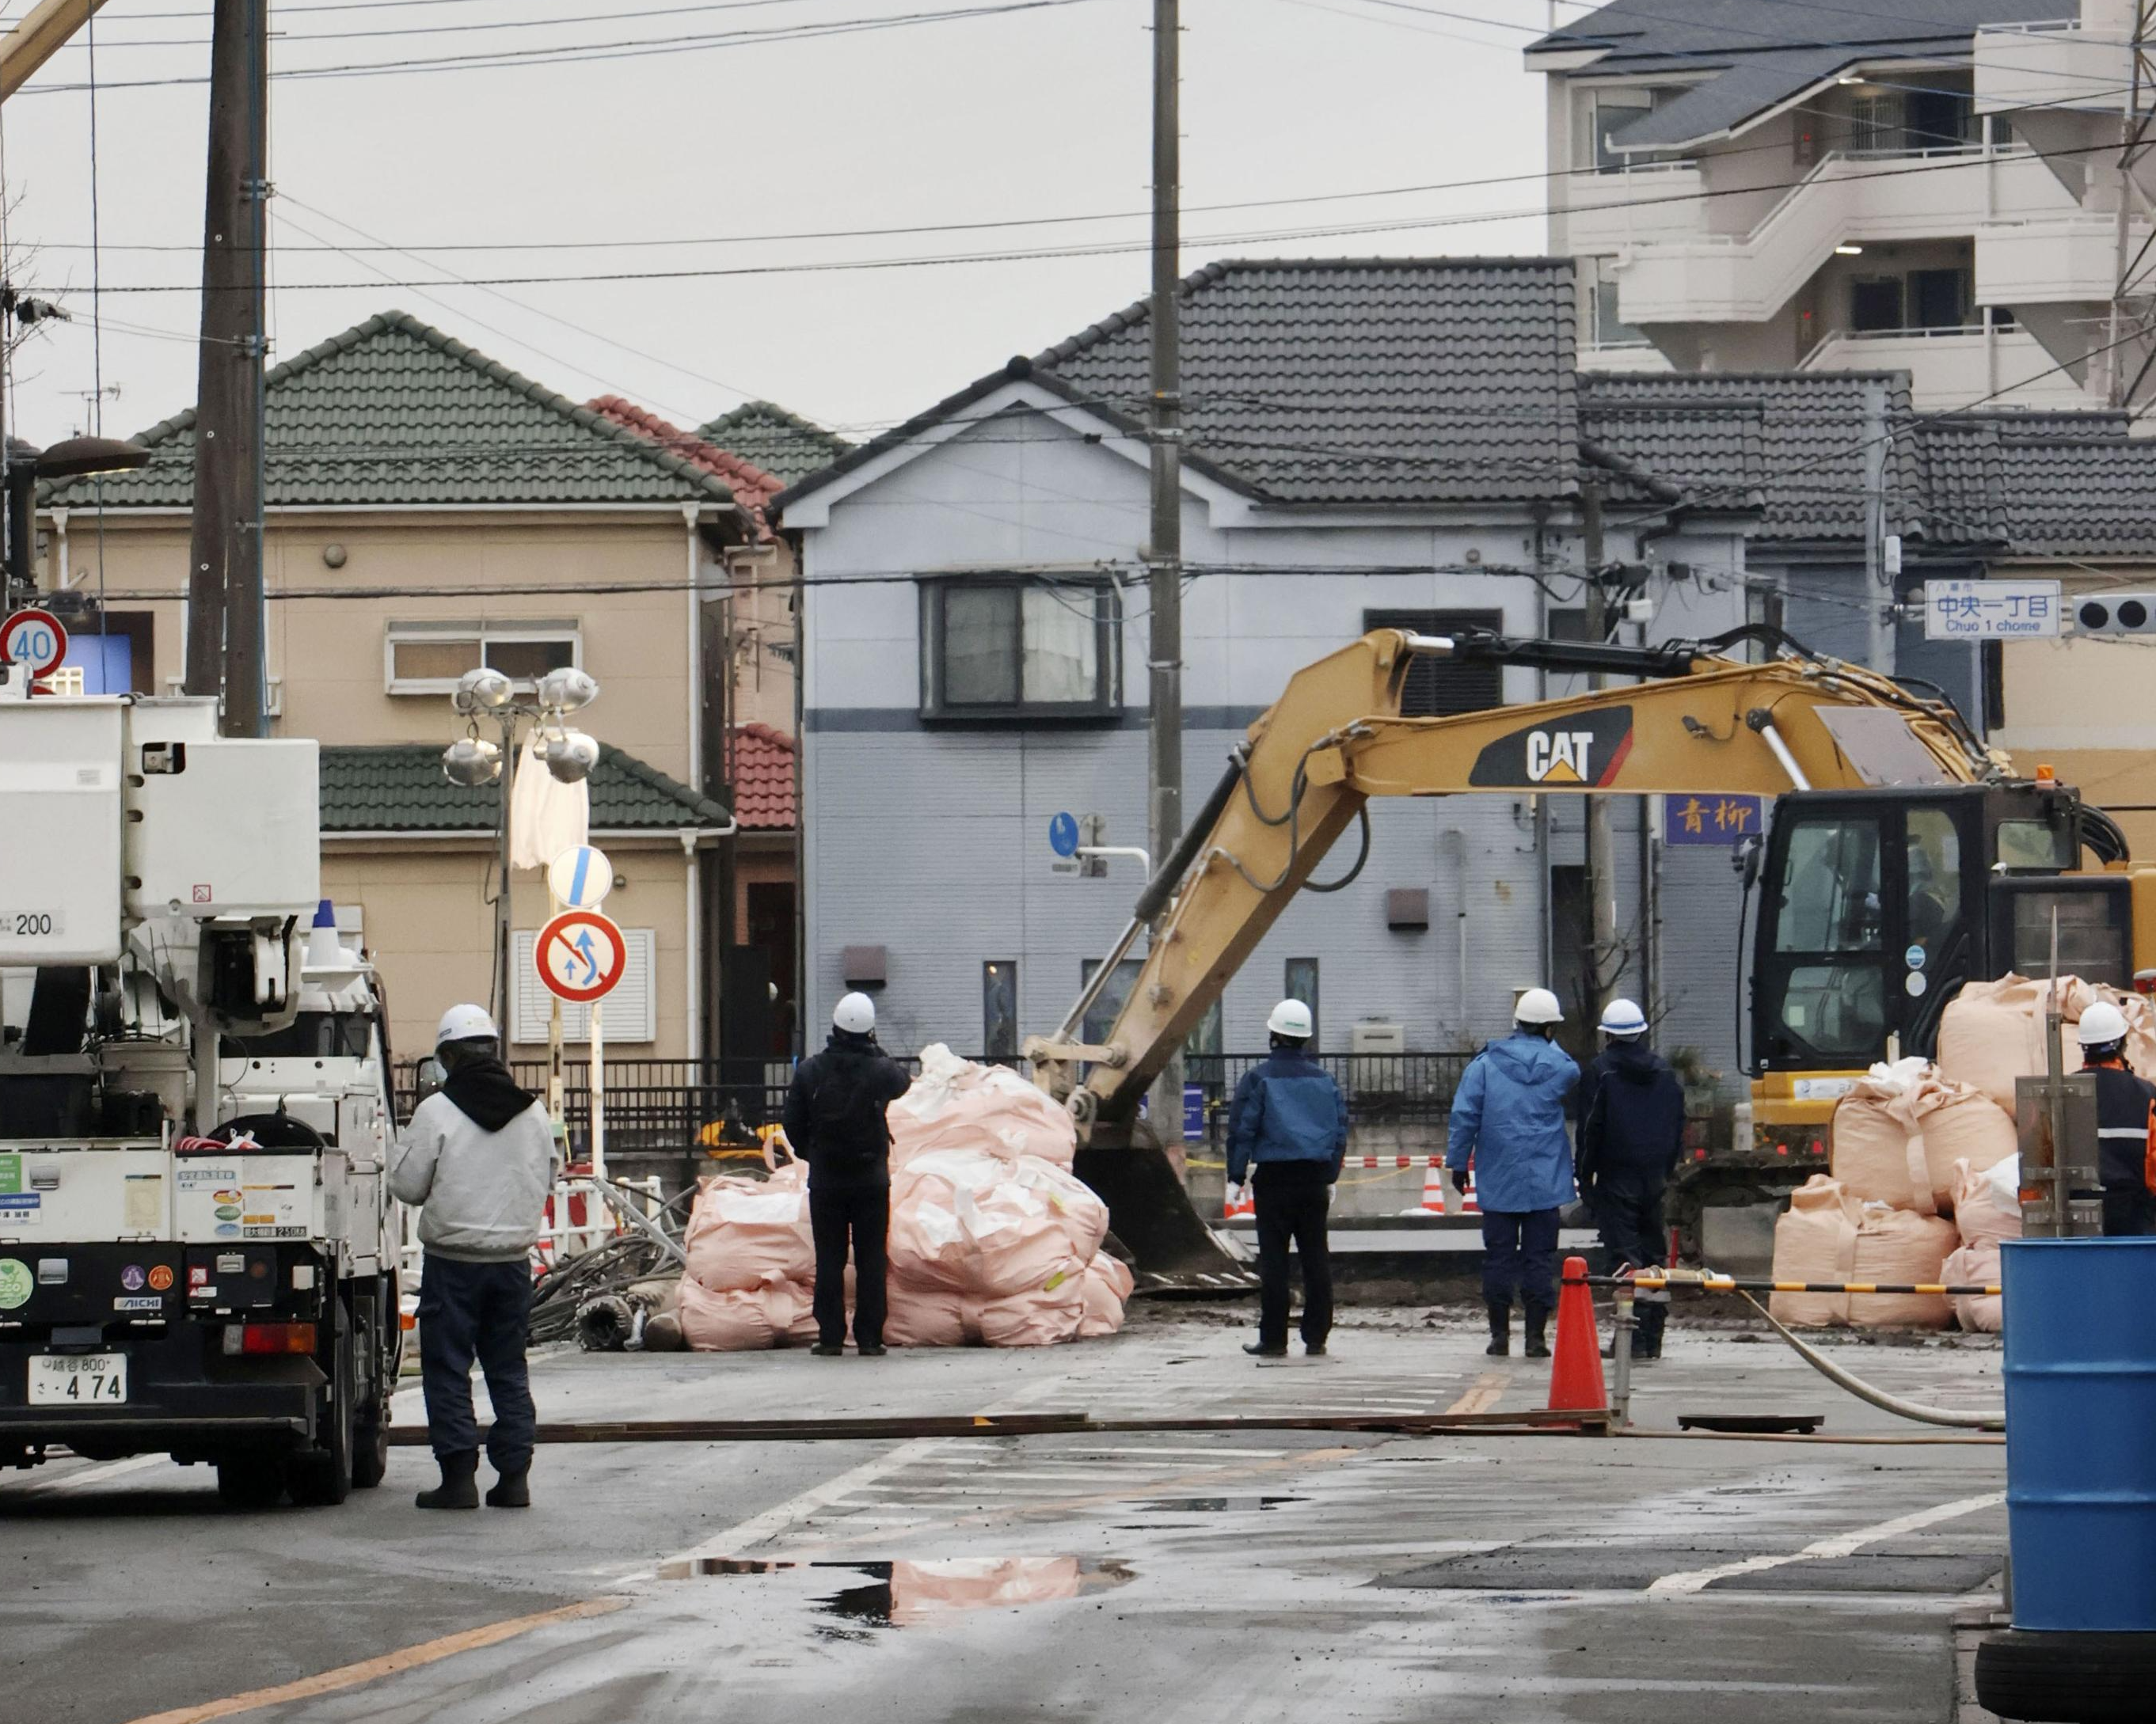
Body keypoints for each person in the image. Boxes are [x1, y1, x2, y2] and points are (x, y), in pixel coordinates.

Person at [389, 1004, 557, 1511]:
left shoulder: (436, 1112)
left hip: (452, 1265)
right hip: (511, 1266)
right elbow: (548, 1178)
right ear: (493, 1050)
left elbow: (407, 1184)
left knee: (447, 1370)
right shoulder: (534, 1112)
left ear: (449, 1055)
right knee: (508, 1370)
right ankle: (514, 1480)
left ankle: (458, 1480)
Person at [1446, 987, 1580, 1360]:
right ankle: (1536, 1338)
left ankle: (1499, 1335)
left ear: (1517, 1022)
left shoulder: (1485, 1066)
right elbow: (1571, 1070)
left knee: (1499, 1257)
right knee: (1539, 1258)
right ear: (1550, 1028)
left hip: (1499, 1177)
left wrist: (1458, 1163)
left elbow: (1464, 1116)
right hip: (1545, 1181)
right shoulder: (1561, 1068)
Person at [783, 992, 912, 1357]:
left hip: (826, 1181)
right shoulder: (880, 1070)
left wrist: (814, 1155)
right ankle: (870, 1338)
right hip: (871, 1179)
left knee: (830, 1258)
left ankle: (830, 1337)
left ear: (836, 1025)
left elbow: (792, 1123)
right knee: (872, 1258)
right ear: (869, 1029)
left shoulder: (810, 1070)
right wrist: (877, 1051)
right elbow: (904, 1082)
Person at [1227, 1000, 1350, 1359]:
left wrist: (1235, 1176)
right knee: (1316, 1258)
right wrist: (1331, 1174)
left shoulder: (1259, 1078)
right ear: (1305, 1040)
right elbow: (1340, 1131)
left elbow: (1243, 1129)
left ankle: (1274, 1339)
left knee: (1275, 1261)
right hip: (1314, 1179)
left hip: (1275, 1179)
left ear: (1274, 1035)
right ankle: (1316, 1337)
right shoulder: (1325, 1081)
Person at [1575, 998, 1685, 1362]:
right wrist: (1665, 1170)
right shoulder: (1666, 1073)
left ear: (1607, 1034)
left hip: (1615, 1174)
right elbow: (1677, 1128)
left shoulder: (1601, 1071)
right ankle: (1653, 1336)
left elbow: (1591, 1129)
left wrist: (1584, 1175)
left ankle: (1632, 1339)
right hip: (1654, 1175)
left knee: (1624, 1257)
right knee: (1654, 1256)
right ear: (1641, 1032)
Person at [2078, 1001, 2156, 1236]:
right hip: (2136, 1222)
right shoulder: (2146, 1094)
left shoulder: (2060, 1093)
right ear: (2122, 1043)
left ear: (2084, 1048)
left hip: (2073, 1223)